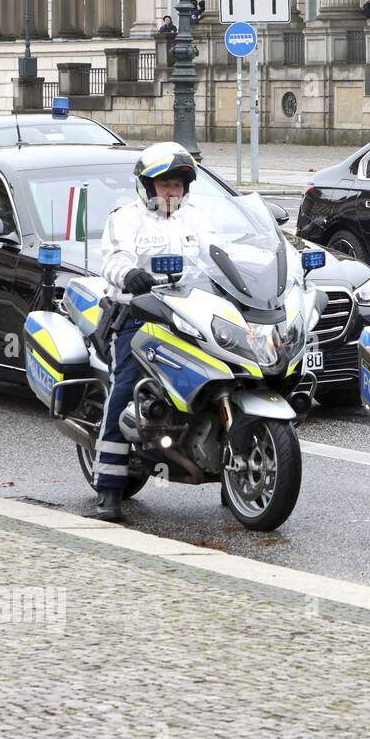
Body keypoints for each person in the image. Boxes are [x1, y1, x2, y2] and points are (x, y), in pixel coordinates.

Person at [92, 142, 210, 522]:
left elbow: (221, 257)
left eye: (177, 184)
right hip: (137, 316)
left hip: (188, 314)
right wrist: (129, 274)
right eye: (164, 184)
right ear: (147, 186)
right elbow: (113, 259)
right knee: (126, 388)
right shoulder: (126, 218)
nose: (172, 192)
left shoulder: (197, 220)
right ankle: (109, 490)